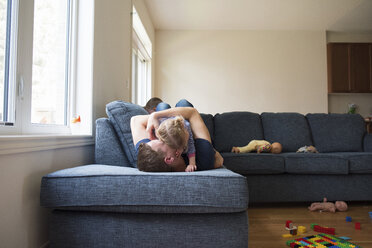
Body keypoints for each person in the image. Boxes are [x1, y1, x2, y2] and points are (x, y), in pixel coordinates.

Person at [131, 105, 223, 172]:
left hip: (166, 124)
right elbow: (192, 113)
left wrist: (155, 116)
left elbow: (135, 120)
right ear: (169, 159)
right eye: (160, 141)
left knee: (163, 107)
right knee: (183, 103)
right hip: (186, 127)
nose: (156, 138)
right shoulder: (203, 156)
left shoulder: (146, 153)